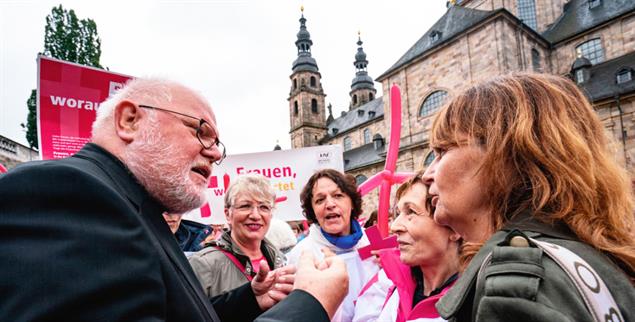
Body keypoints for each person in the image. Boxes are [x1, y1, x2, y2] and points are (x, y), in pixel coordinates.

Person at [0, 77, 347, 322]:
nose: (214, 154)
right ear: (129, 120)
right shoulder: (69, 192)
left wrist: (249, 301)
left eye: (218, 143)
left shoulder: (135, 208)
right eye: (201, 131)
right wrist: (309, 304)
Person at [422, 73, 635, 321]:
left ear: (504, 156)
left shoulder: (515, 285)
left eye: (443, 150)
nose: (428, 174)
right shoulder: (590, 256)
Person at [354, 172, 460, 322]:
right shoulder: (393, 280)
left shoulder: (476, 301)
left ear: (455, 227)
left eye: (411, 212)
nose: (395, 226)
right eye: (397, 213)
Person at [287, 168, 380, 322]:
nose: (329, 204)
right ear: (313, 212)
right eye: (320, 200)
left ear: (351, 203)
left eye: (338, 195)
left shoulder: (374, 241)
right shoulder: (302, 255)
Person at [189, 173, 286, 298]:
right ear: (228, 214)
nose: (255, 215)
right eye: (245, 206)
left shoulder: (280, 259)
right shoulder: (203, 264)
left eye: (264, 207)